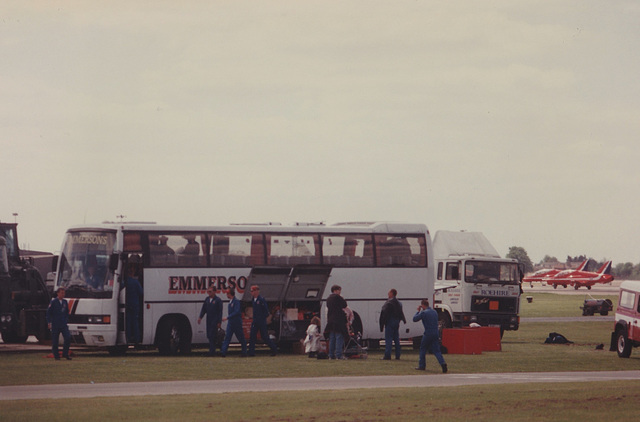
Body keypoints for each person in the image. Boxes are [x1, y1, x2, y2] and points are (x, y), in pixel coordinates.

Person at [413, 298, 448, 373]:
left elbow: (415, 319)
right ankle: (443, 363)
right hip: (435, 333)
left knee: (423, 348)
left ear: (422, 305)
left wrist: (418, 311)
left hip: (428, 333)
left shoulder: (424, 313)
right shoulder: (434, 312)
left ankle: (422, 365)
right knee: (436, 350)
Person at [248, 285, 277, 356]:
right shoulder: (253, 300)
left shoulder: (261, 299)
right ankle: (251, 352)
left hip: (261, 321)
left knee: (264, 336)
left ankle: (274, 349)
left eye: (252, 291)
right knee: (252, 336)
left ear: (256, 291)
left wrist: (261, 318)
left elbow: (266, 311)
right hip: (255, 321)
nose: (251, 292)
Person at [379, 288, 406, 360]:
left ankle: (387, 355)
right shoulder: (399, 303)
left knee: (389, 339)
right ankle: (398, 355)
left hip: (390, 321)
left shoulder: (388, 302)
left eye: (389, 293)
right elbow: (401, 313)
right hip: (396, 321)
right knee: (396, 339)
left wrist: (382, 324)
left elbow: (384, 313)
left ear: (391, 293)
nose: (388, 294)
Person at [46, 287, 72, 360]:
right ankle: (56, 355)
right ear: (58, 293)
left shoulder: (65, 302)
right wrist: (49, 322)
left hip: (63, 324)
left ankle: (65, 353)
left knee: (68, 337)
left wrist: (66, 319)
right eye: (61, 293)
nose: (63, 294)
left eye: (64, 293)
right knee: (55, 341)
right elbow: (48, 313)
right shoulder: (54, 302)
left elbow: (67, 312)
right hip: (55, 324)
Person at [220, 287, 247, 357]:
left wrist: (227, 317)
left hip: (236, 323)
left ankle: (244, 352)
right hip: (231, 323)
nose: (226, 295)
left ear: (230, 294)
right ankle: (223, 352)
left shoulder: (236, 302)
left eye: (227, 294)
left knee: (241, 338)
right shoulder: (230, 302)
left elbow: (237, 311)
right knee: (227, 337)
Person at [198, 286, 223, 356]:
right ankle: (212, 350)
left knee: (213, 335)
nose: (209, 293)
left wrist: (219, 322)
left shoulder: (218, 300)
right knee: (209, 335)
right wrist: (200, 317)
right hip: (209, 319)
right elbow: (204, 309)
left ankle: (213, 351)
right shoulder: (207, 299)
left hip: (215, 320)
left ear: (215, 292)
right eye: (208, 291)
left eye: (210, 291)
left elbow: (220, 312)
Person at [326, 284, 348, 360]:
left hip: (330, 320)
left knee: (332, 338)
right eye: (339, 290)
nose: (340, 292)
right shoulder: (338, 297)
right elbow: (344, 305)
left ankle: (331, 355)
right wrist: (342, 298)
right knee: (339, 337)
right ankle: (339, 355)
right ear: (336, 290)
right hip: (338, 320)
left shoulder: (328, 298)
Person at [125, 257, 143, 344]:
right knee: (135, 322)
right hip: (135, 304)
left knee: (128, 322)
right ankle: (136, 338)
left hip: (127, 304)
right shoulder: (136, 282)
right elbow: (141, 293)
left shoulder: (125, 282)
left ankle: (128, 337)